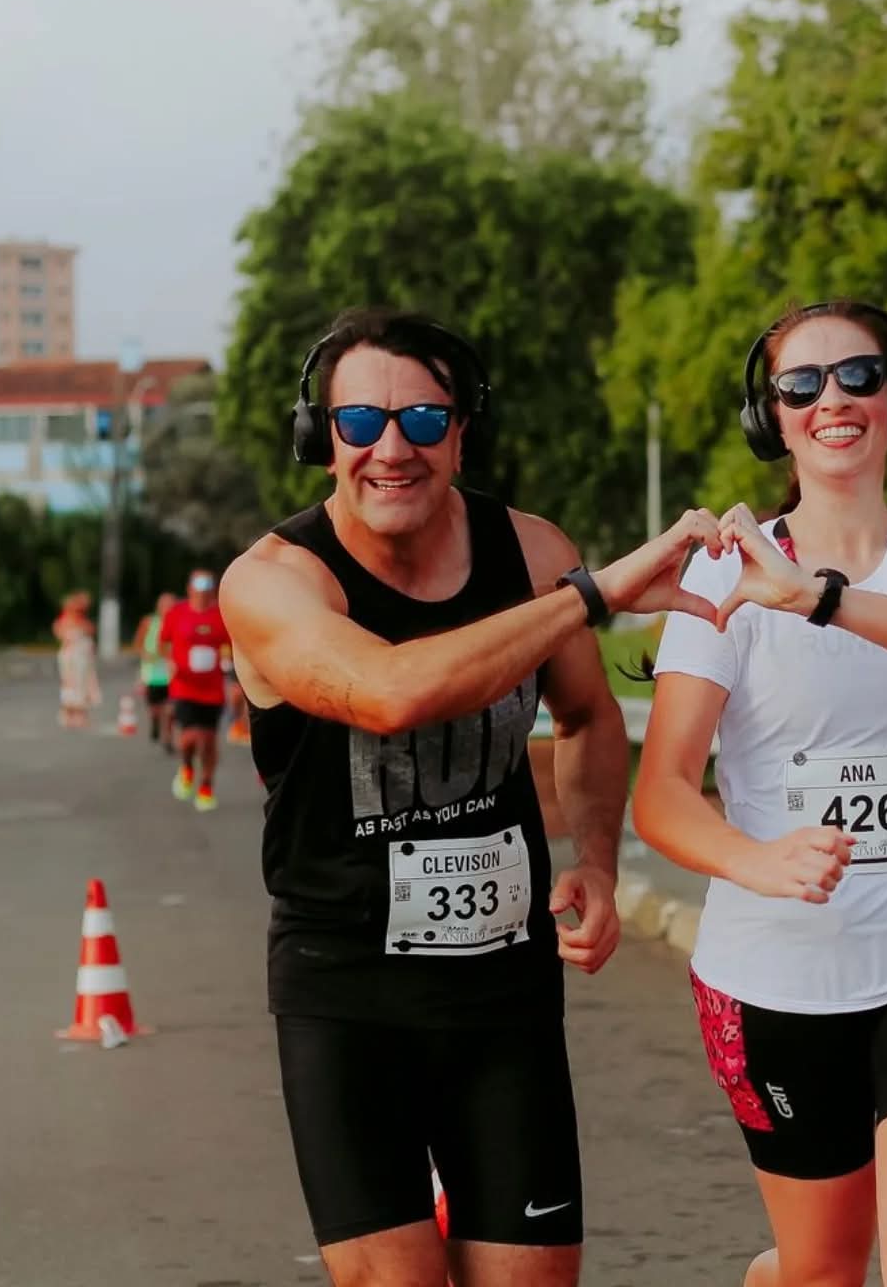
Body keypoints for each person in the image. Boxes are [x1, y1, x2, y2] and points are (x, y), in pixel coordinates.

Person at [218, 307, 722, 1287]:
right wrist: (594, 594)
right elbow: (393, 693)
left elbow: (586, 717)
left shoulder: (530, 555)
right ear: (322, 437)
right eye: (360, 423)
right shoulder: (274, 583)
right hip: (346, 990)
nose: (391, 448)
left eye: (422, 420)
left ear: (461, 429)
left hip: (503, 992)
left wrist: (600, 866)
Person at [633, 299, 887, 1287]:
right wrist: (755, 859)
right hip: (779, 976)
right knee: (823, 1270)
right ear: (771, 417)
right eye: (800, 385)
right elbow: (665, 796)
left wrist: (818, 595)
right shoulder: (721, 579)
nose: (833, 401)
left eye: (859, 375)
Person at [160, 570, 230, 812]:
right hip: (184, 687)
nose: (202, 591)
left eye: (207, 585)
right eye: (198, 585)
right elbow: (163, 642)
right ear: (189, 588)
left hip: (212, 689)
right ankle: (187, 767)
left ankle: (207, 786)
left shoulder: (221, 615)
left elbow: (231, 646)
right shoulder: (177, 613)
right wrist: (169, 662)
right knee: (189, 738)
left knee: (209, 740)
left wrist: (229, 666)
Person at [132, 592, 177, 751]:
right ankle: (155, 722)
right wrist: (144, 654)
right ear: (159, 607)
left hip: (172, 671)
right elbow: (138, 643)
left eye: (171, 605)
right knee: (155, 708)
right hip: (152, 671)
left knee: (171, 708)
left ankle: (168, 737)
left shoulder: (179, 622)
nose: (168, 608)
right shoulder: (149, 622)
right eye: (165, 605)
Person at [52, 591, 100, 730]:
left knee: (82, 684)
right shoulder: (65, 620)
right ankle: (69, 713)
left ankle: (79, 714)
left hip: (82, 658)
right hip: (72, 658)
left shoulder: (81, 620)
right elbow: (61, 633)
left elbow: (91, 630)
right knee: (72, 683)